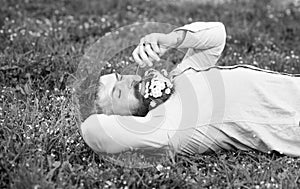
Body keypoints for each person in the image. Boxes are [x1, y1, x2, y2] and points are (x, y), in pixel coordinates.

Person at [80, 22, 300, 156]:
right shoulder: (165, 126)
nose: (128, 81)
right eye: (119, 92)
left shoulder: (179, 78)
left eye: (121, 77)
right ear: (125, 120)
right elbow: (93, 130)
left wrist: (171, 40)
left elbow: (217, 36)